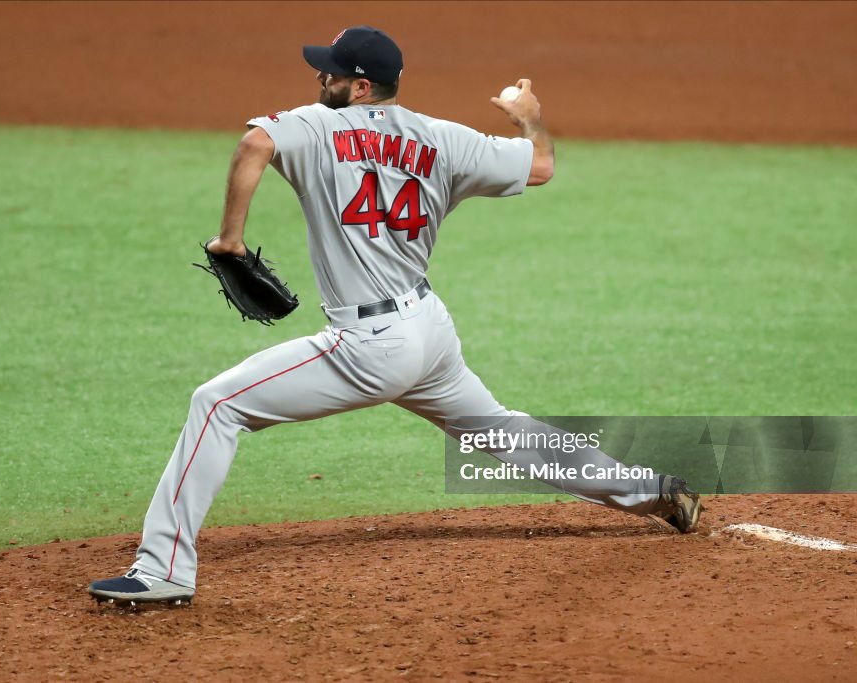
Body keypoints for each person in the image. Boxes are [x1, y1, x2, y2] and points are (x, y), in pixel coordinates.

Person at [88, 26, 702, 605]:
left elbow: (254, 143)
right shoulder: (444, 137)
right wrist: (530, 119)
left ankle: (163, 571)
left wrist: (230, 240)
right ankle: (653, 490)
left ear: (358, 86)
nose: (318, 81)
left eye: (329, 73)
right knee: (499, 429)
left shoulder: (315, 127)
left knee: (217, 405)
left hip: (370, 345)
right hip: (427, 330)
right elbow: (539, 167)